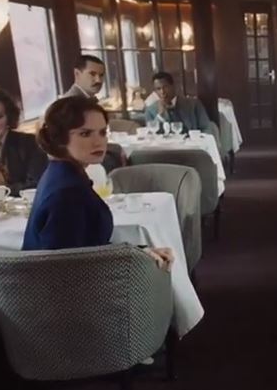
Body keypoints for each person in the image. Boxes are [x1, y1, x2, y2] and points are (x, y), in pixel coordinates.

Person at [22, 95, 174, 272]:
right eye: (85, 134)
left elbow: (86, 250)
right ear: (60, 139)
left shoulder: (61, 173)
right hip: (64, 286)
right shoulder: (68, 192)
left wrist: (140, 252)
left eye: (102, 132)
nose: (98, 141)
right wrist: (135, 259)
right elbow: (66, 267)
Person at [144, 72, 215, 133]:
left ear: (173, 86)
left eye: (165, 87)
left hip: (192, 144)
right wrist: (160, 116)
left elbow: (207, 128)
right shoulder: (150, 110)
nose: (162, 92)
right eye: (158, 89)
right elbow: (151, 135)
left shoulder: (194, 105)